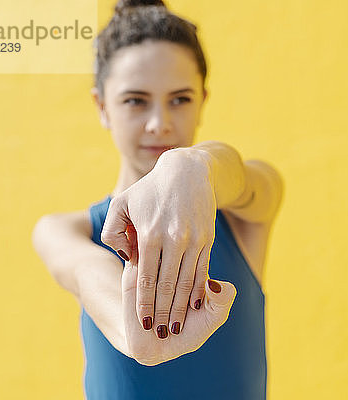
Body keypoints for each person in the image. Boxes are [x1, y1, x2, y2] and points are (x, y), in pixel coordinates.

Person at [31, 0, 284, 399]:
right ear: (102, 106)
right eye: (136, 100)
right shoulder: (64, 231)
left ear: (203, 99)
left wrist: (193, 164)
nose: (159, 123)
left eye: (180, 99)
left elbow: (241, 176)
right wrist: (135, 331)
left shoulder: (242, 210)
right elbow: (89, 271)